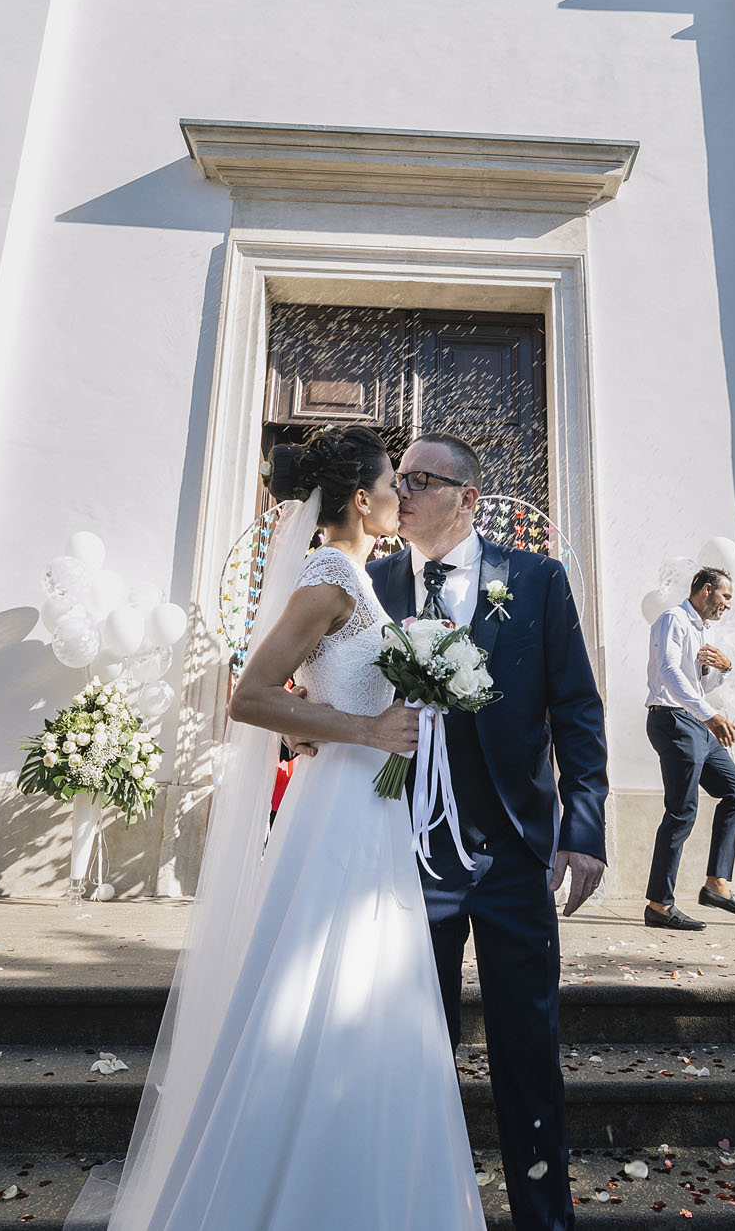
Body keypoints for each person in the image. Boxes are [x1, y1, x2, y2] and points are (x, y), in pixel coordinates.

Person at [108, 426, 483, 1230]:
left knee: (366, 995)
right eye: (393, 483)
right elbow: (249, 695)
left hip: (369, 810)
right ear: (361, 498)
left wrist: (336, 718)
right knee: (319, 988)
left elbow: (308, 695)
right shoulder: (330, 576)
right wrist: (365, 731)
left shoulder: (351, 574)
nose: (402, 496)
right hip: (340, 812)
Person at [358, 431, 607, 1231]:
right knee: (410, 1051)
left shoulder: (535, 581)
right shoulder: (371, 582)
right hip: (404, 854)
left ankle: (544, 1218)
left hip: (512, 855)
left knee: (526, 1053)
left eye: (418, 481)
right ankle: (418, 1209)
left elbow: (575, 709)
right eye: (397, 479)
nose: (399, 493)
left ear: (468, 500)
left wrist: (586, 825)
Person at [643, 566, 735, 930]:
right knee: (681, 812)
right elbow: (667, 672)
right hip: (673, 721)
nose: (727, 605)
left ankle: (716, 884)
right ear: (707, 590)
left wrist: (724, 668)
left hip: (695, 721)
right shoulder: (672, 619)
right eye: (725, 596)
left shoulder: (705, 630)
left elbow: (699, 685)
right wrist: (709, 716)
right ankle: (659, 906)